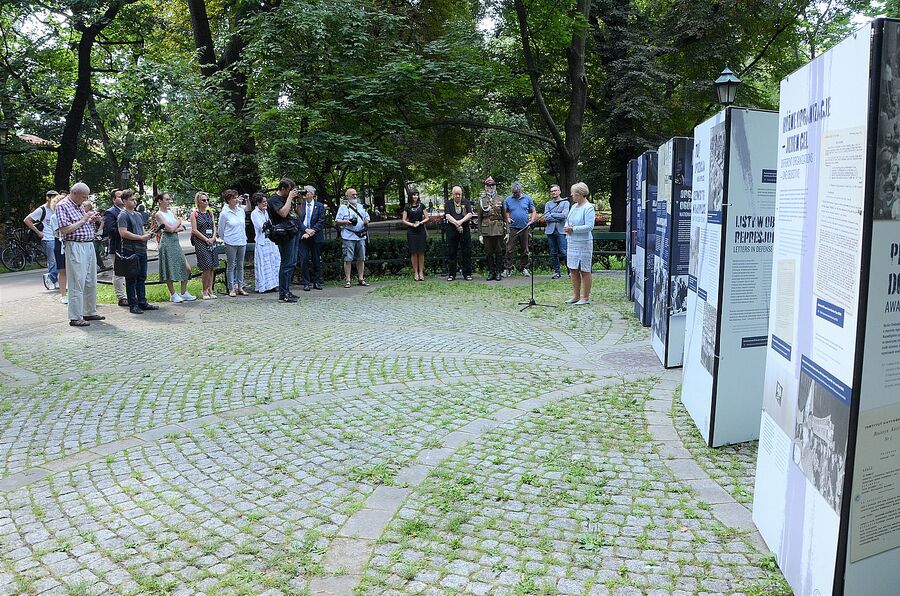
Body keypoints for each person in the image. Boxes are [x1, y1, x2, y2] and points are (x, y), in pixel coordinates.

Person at [55, 182, 105, 326]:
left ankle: (89, 312)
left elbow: (81, 224)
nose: (85, 199)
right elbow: (64, 229)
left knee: (90, 280)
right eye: (83, 197)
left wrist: (90, 220)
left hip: (89, 244)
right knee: (77, 281)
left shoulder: (79, 206)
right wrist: (84, 220)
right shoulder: (62, 206)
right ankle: (75, 317)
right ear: (74, 193)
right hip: (75, 246)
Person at [116, 189, 158, 314]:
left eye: (134, 199)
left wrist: (147, 235)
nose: (134, 202)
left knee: (142, 277)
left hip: (141, 249)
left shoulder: (138, 215)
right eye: (131, 200)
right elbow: (123, 233)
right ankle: (133, 304)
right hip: (130, 251)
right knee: (131, 278)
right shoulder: (123, 215)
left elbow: (140, 231)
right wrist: (140, 237)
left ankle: (142, 302)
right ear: (124, 201)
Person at [155, 193, 197, 303]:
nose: (169, 201)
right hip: (167, 242)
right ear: (160, 201)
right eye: (167, 199)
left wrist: (177, 226)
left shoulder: (170, 212)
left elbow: (178, 227)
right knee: (169, 268)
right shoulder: (159, 214)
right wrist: (178, 223)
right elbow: (170, 228)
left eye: (169, 199)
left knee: (187, 268)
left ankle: (183, 292)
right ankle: (173, 293)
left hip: (175, 241)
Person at [268, 178, 301, 302]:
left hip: (293, 232)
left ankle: (287, 290)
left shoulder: (289, 199)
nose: (291, 192)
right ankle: (283, 294)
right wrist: (290, 198)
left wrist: (298, 201)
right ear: (282, 188)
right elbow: (283, 213)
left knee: (292, 263)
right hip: (284, 235)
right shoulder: (274, 199)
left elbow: (298, 214)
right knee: (286, 264)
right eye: (289, 190)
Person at [564, 182, 596, 305]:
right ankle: (575, 295)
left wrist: (573, 229)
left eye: (574, 194)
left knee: (584, 270)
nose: (572, 196)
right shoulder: (573, 206)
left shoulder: (588, 208)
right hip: (572, 241)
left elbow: (589, 226)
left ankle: (585, 297)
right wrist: (567, 227)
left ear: (580, 194)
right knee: (573, 269)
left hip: (584, 242)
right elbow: (568, 220)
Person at [23, 190, 59, 290]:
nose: (55, 200)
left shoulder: (58, 208)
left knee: (61, 260)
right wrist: (38, 232)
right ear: (47, 198)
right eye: (53, 198)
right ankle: (55, 280)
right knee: (53, 260)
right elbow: (27, 220)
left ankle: (51, 277)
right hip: (48, 238)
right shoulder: (42, 210)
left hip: (58, 237)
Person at [335, 188, 370, 288]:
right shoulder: (343, 208)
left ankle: (361, 278)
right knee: (348, 259)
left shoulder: (361, 207)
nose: (355, 196)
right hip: (348, 236)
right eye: (352, 194)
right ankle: (348, 280)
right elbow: (337, 221)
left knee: (361, 258)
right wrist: (347, 222)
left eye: (356, 194)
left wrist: (366, 220)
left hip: (361, 236)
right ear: (347, 196)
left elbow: (367, 218)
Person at [218, 189, 249, 297]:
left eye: (237, 197)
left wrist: (247, 200)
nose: (236, 200)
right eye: (234, 198)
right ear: (228, 200)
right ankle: (231, 288)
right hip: (230, 241)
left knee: (240, 265)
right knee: (231, 265)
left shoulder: (240, 210)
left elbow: (248, 208)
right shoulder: (224, 213)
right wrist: (226, 239)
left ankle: (240, 286)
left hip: (242, 240)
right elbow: (220, 230)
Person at [503, 181, 537, 277]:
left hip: (525, 227)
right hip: (512, 228)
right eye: (514, 193)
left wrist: (532, 220)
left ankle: (524, 268)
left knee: (525, 249)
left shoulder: (527, 198)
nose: (515, 194)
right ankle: (508, 268)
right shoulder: (508, 199)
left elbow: (533, 211)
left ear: (520, 190)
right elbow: (505, 211)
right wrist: (508, 218)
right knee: (509, 249)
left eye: (517, 193)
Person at [101, 189, 128, 306]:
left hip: (129, 246)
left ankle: (131, 295)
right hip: (117, 247)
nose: (121, 198)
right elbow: (109, 230)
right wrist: (125, 231)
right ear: (113, 199)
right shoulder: (110, 212)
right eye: (119, 196)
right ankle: (121, 297)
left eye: (123, 196)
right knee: (118, 273)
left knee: (129, 272)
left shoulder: (128, 210)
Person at [296, 185, 326, 291]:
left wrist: (311, 231)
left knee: (316, 258)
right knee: (303, 259)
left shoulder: (320, 206)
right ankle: (306, 282)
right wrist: (305, 230)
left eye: (307, 192)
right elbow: (297, 220)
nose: (305, 194)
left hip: (315, 235)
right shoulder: (300, 205)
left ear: (312, 194)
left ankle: (317, 281)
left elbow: (321, 221)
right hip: (303, 235)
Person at [477, 176, 506, 281]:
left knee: (499, 251)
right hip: (486, 229)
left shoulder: (500, 199)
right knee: (488, 252)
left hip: (498, 228)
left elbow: (504, 216)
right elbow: (479, 218)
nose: (491, 187)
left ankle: (498, 272)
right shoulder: (481, 200)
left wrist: (507, 231)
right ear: (485, 187)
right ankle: (491, 272)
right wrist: (480, 233)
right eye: (489, 185)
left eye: (492, 185)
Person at [250, 193, 280, 293]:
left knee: (273, 261)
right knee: (264, 263)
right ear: (258, 203)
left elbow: (270, 225)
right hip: (262, 241)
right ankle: (264, 286)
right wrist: (268, 225)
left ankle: (275, 284)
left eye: (266, 202)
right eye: (263, 202)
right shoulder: (255, 213)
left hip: (270, 240)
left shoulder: (266, 212)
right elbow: (260, 226)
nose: (265, 203)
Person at [189, 192, 218, 299]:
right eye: (203, 200)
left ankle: (210, 289)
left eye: (207, 200)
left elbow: (214, 226)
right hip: (201, 242)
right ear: (198, 202)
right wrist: (206, 239)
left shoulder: (210, 213)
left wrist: (213, 237)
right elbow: (194, 230)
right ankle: (204, 290)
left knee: (212, 267)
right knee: (206, 266)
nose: (206, 202)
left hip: (212, 241)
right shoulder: (194, 214)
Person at [444, 186, 473, 281]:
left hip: (464, 229)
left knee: (466, 251)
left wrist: (460, 222)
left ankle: (467, 274)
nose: (458, 196)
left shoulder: (466, 202)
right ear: (452, 194)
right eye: (456, 194)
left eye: (459, 194)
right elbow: (447, 215)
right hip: (452, 230)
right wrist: (456, 223)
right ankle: (452, 274)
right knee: (452, 252)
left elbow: (469, 214)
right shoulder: (448, 203)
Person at [402, 187, 429, 281]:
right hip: (411, 231)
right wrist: (412, 224)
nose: (415, 196)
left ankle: (421, 272)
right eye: (414, 194)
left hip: (421, 230)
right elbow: (404, 220)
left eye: (417, 194)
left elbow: (427, 217)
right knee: (413, 252)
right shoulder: (407, 206)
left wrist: (420, 223)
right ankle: (416, 273)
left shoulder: (421, 206)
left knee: (421, 252)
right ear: (410, 196)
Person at [543, 184, 569, 279]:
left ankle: (570, 271)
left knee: (564, 251)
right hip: (550, 231)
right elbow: (546, 217)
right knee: (553, 252)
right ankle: (557, 272)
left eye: (555, 190)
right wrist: (557, 216)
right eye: (552, 191)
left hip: (561, 231)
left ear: (559, 191)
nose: (553, 192)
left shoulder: (565, 203)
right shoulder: (548, 204)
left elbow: (564, 216)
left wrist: (552, 215)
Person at [46, 193, 68, 304]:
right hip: (59, 243)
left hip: (68, 242)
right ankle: (63, 294)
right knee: (62, 269)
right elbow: (61, 230)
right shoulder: (55, 216)